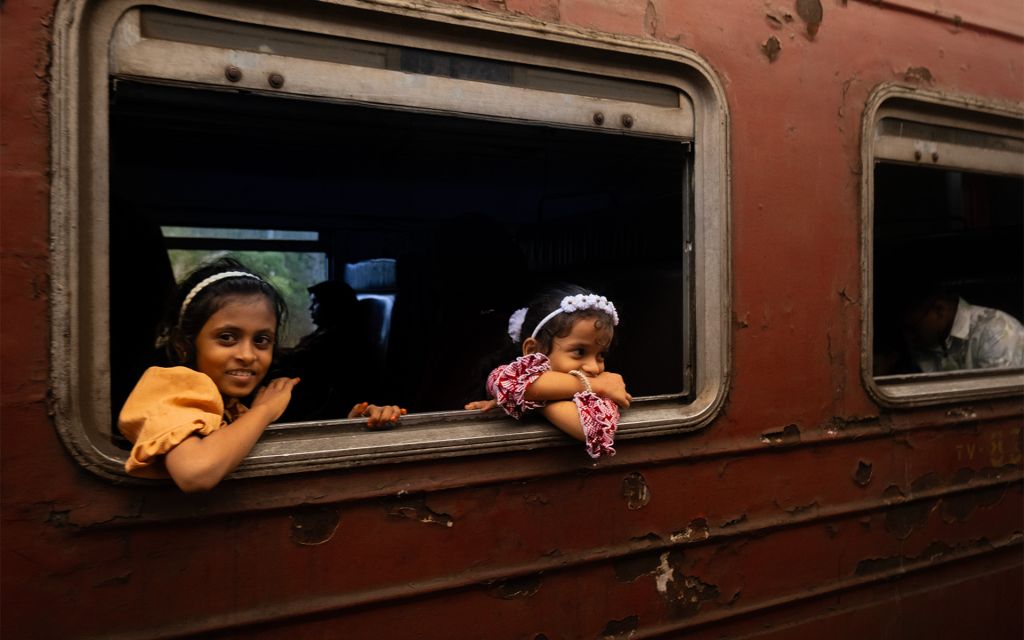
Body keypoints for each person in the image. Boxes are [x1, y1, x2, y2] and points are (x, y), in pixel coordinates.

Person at [118, 258, 299, 492]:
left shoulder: (229, 404)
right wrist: (265, 410)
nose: (247, 355)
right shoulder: (167, 389)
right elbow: (195, 473)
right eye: (227, 337)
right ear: (184, 344)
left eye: (261, 340)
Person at [465, 285, 632, 458]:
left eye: (601, 355)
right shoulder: (602, 386)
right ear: (533, 350)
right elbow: (502, 383)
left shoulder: (602, 396)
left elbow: (589, 428)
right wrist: (596, 384)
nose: (594, 367)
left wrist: (530, 402)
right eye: (579, 352)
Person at [276, 280, 405, 426]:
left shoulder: (341, 340)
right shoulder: (324, 332)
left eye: (316, 303)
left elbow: (299, 360)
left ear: (332, 305)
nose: (310, 308)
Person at [901, 288, 1024, 372]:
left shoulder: (996, 331)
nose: (909, 337)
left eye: (913, 328)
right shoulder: (929, 343)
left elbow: (999, 401)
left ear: (939, 310)